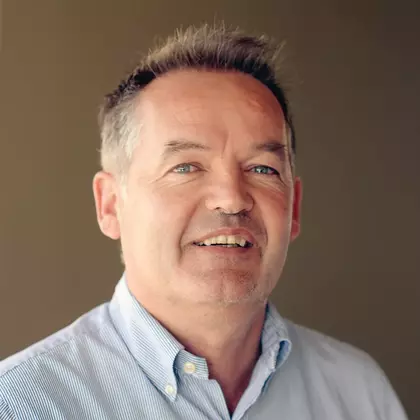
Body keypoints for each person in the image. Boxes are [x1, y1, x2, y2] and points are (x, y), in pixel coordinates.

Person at [0, 24, 408, 420]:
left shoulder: (359, 392)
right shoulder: (21, 405)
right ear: (110, 205)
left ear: (294, 208)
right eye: (186, 167)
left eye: (263, 169)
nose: (232, 198)